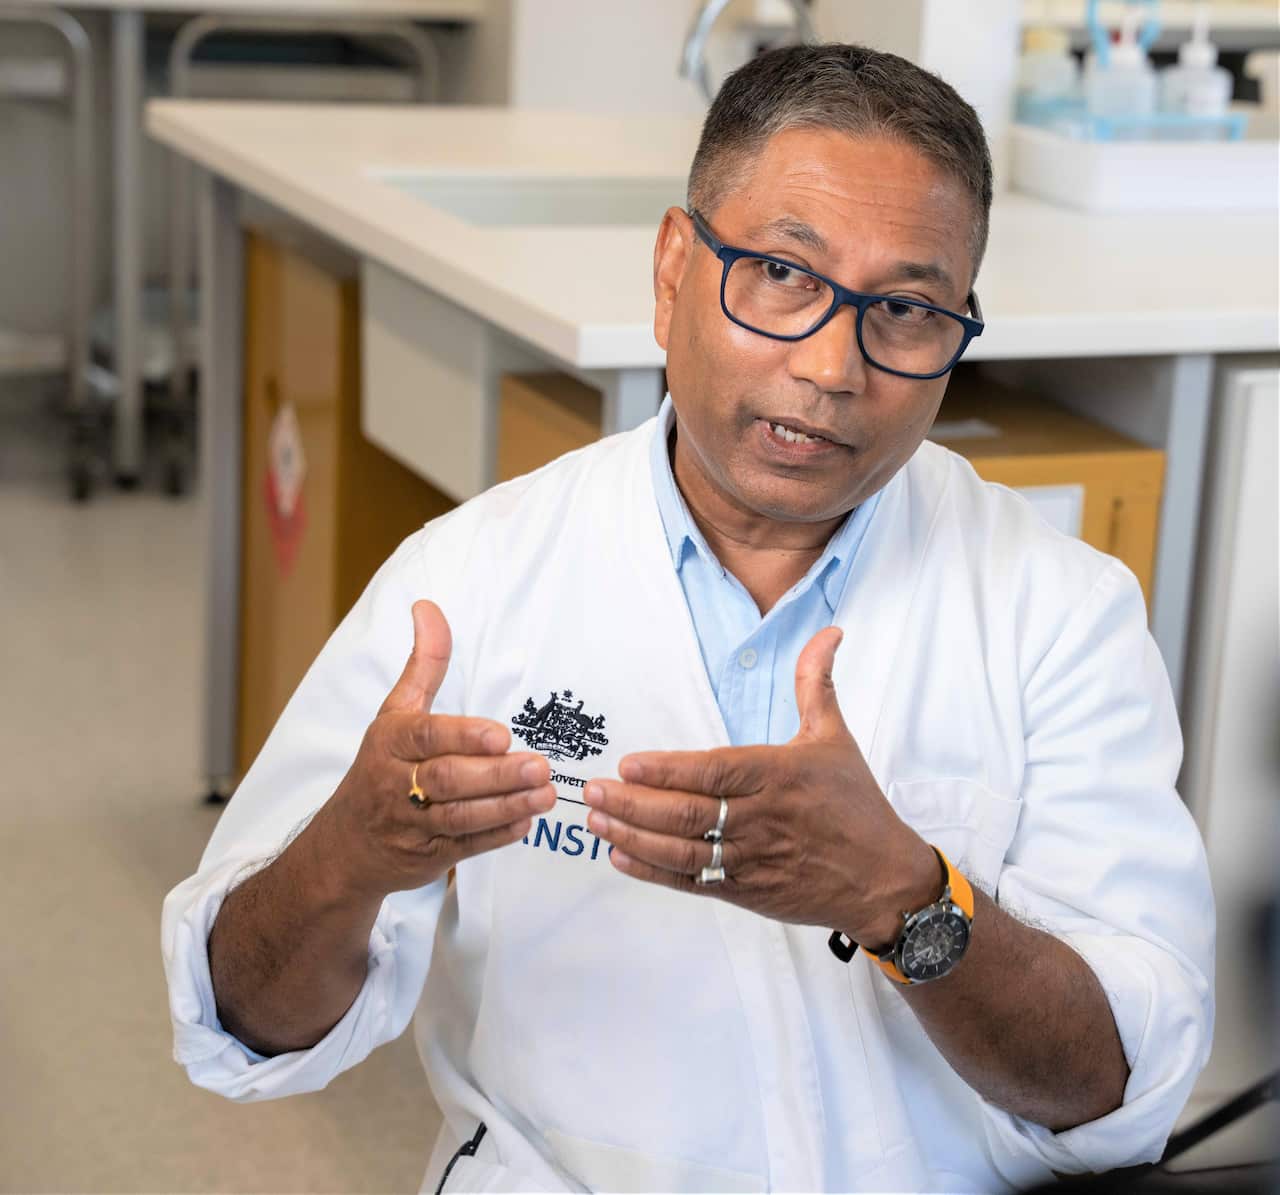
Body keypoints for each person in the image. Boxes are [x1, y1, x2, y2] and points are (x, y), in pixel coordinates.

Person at [162, 43, 1214, 1193]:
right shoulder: (471, 581)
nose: (829, 365)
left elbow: (1119, 1086)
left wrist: (909, 899)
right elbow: (241, 1024)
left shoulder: (1055, 610)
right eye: (778, 273)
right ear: (671, 270)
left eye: (905, 309)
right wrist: (349, 856)